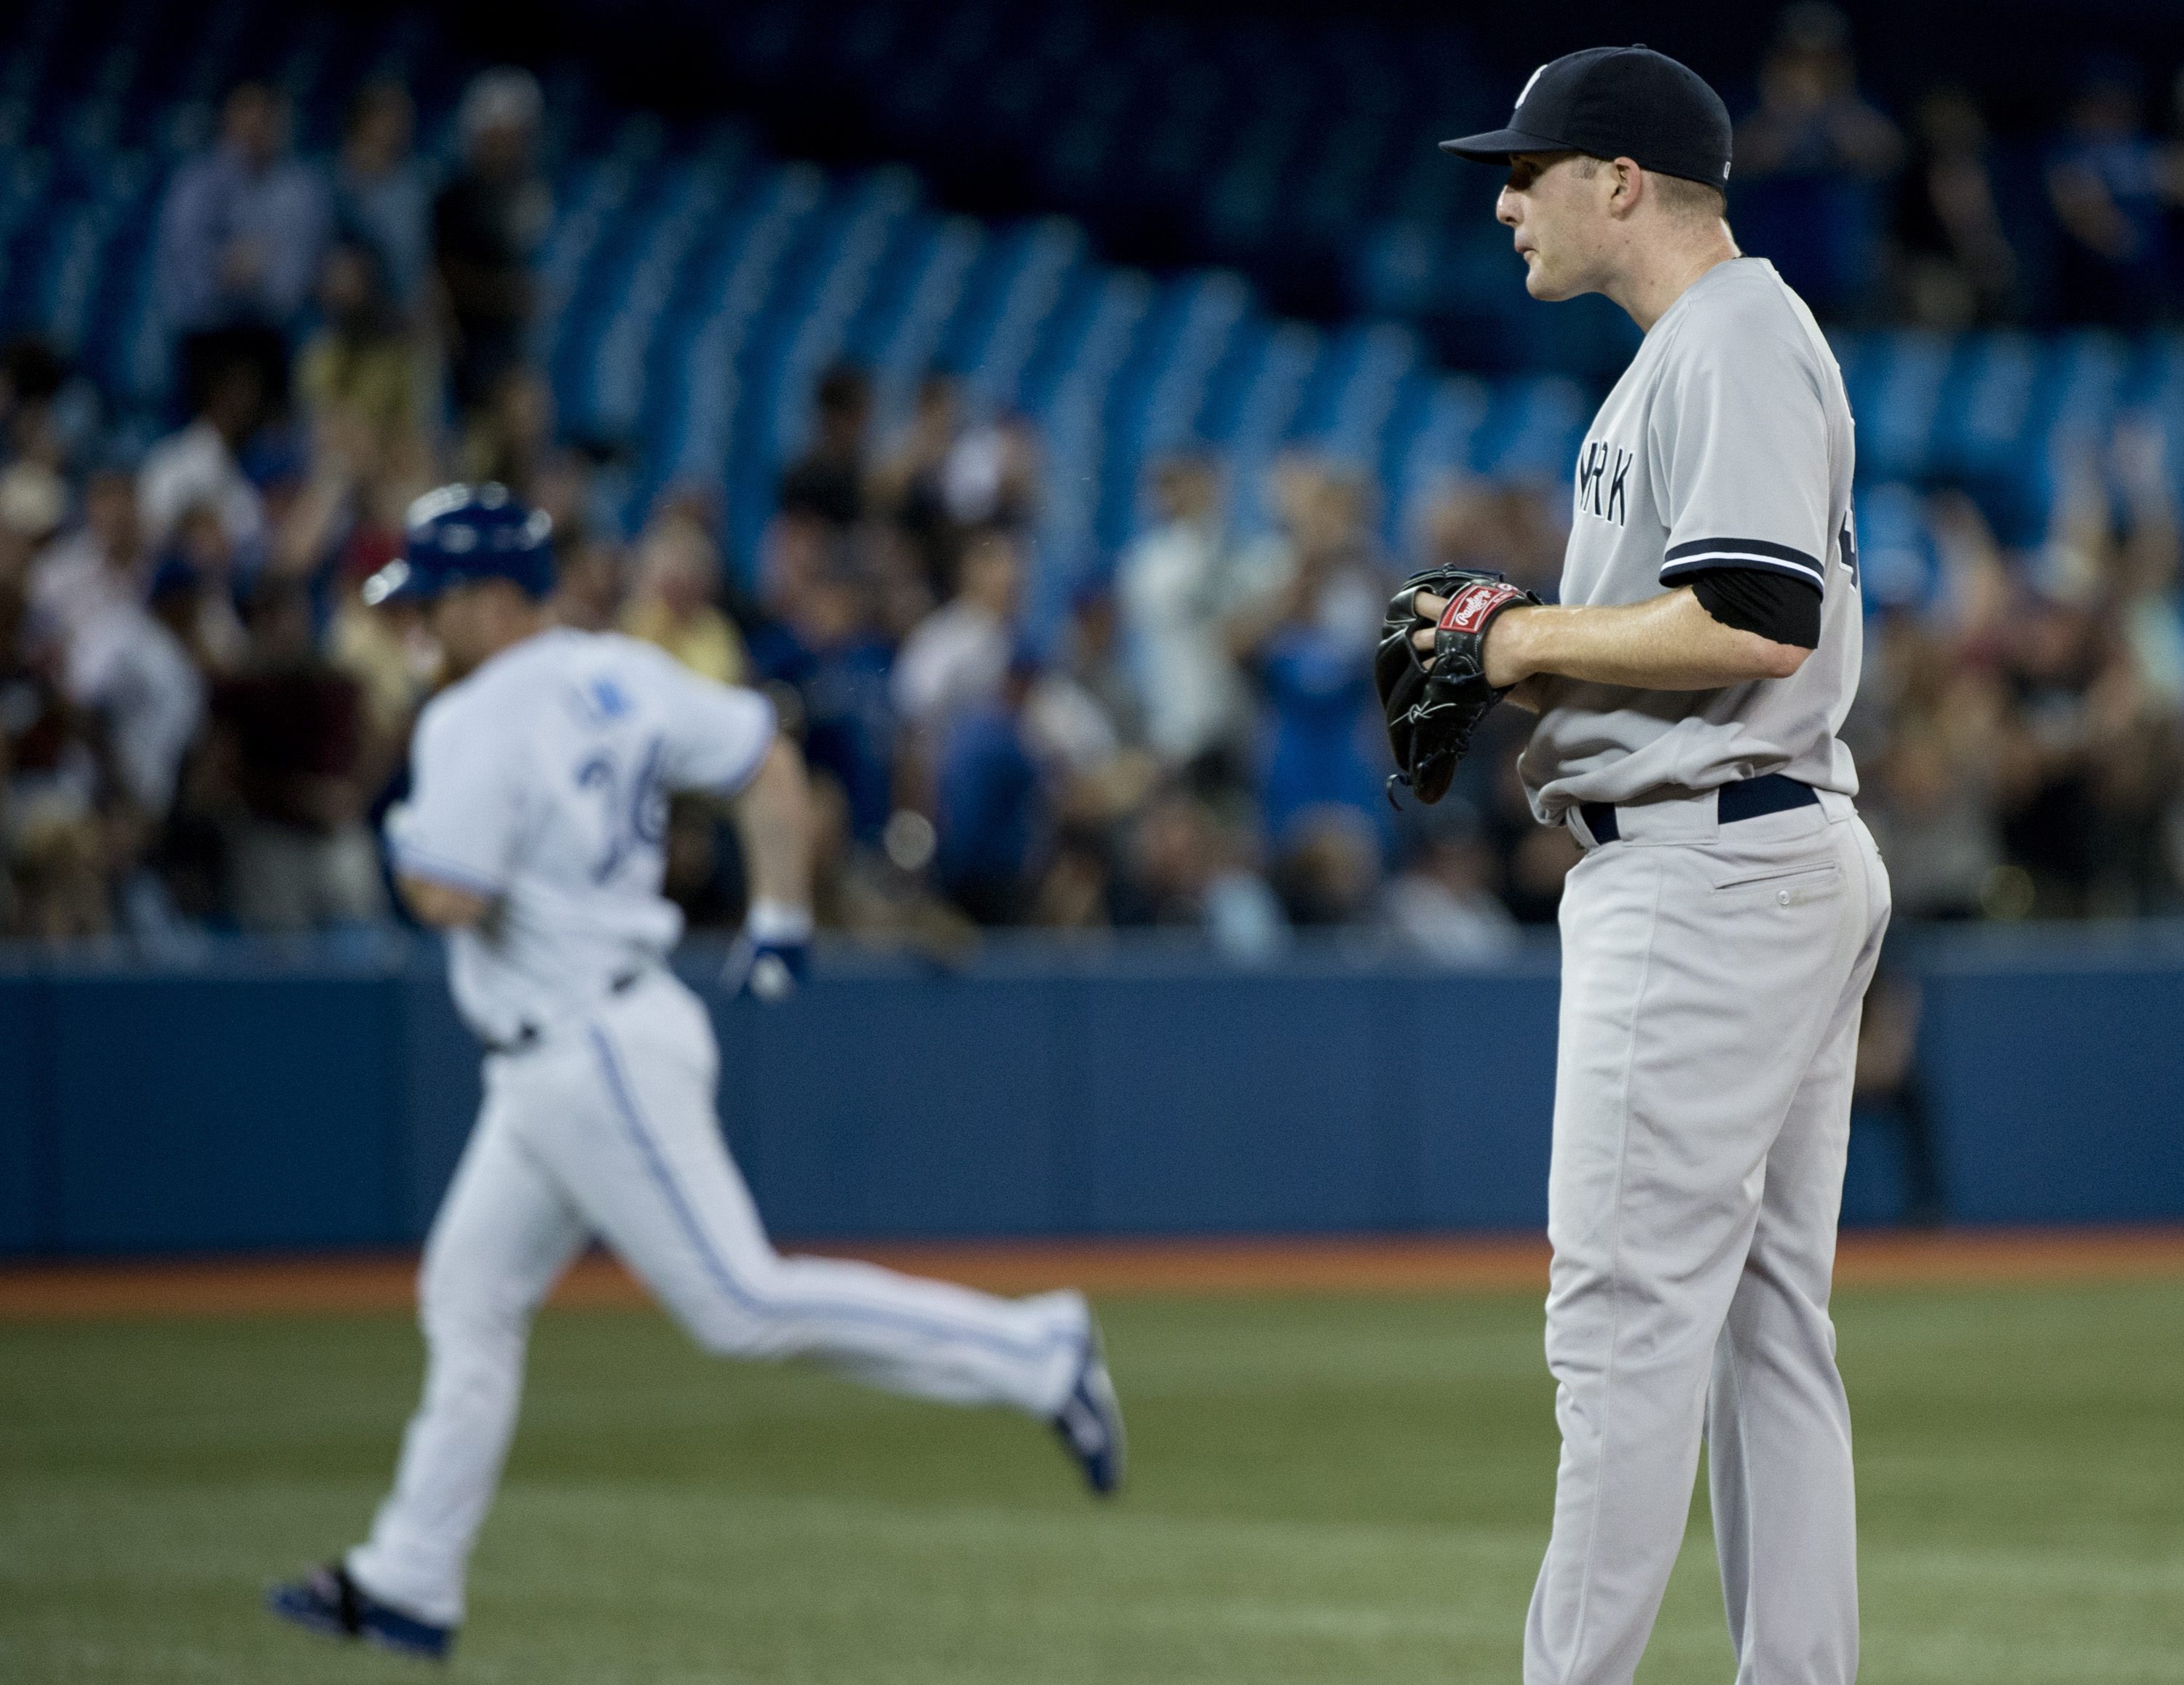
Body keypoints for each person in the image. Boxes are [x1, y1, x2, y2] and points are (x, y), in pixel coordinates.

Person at [264, 484, 1123, 1660]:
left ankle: (1037, 1353)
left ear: (488, 594)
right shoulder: (618, 670)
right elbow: (767, 762)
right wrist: (776, 918)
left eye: (434, 598)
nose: (419, 623)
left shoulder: (472, 717)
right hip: (576, 1047)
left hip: (589, 1046)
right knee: (470, 1296)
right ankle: (410, 1574)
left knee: (742, 1305)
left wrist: (405, 833)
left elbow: (448, 893)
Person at [1436, 47, 1889, 1684]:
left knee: (1622, 1326)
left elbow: (1759, 621)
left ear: (1618, 180)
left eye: (1528, 168)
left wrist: (1517, 644)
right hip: (1746, 847)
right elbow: (1714, 621)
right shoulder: (1695, 353)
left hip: (1709, 868)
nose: (1504, 200)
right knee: (1763, 1329)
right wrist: (1537, 663)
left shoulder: (1737, 336)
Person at [433, 70, 551, 416]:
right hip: (464, 345)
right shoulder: (454, 200)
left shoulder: (526, 194)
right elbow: (444, 274)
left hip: (506, 344)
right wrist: (505, 295)